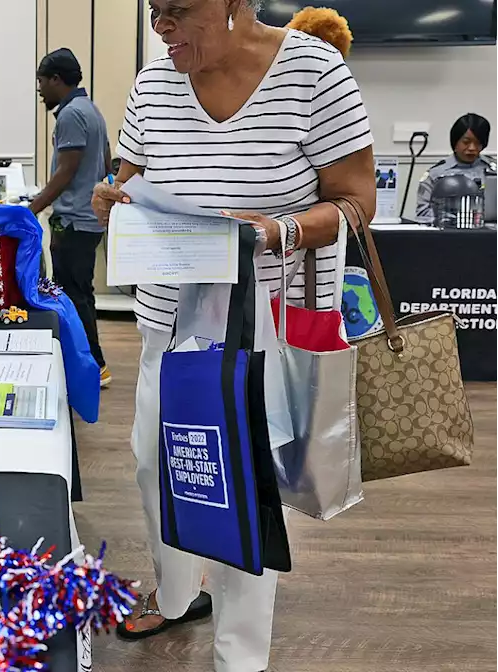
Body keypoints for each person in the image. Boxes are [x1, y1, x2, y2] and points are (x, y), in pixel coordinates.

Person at [93, 1, 374, 670]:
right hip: (171, 314)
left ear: (236, 5)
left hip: (267, 325)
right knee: (153, 462)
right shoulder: (152, 82)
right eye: (155, 10)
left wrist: (279, 231)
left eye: (180, 11)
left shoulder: (314, 72)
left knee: (243, 487)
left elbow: (357, 200)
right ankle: (181, 593)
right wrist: (113, 197)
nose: (162, 27)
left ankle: (239, 658)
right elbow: (128, 178)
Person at [29, 47, 112, 388]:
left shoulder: (70, 115)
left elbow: (65, 173)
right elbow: (106, 164)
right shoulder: (90, 110)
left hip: (74, 222)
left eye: (41, 81)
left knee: (74, 297)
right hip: (87, 220)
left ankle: (95, 366)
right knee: (80, 293)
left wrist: (28, 210)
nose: (39, 89)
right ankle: (89, 362)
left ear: (56, 80)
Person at [417, 113, 497, 225]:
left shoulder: (493, 171)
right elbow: (422, 214)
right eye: (466, 142)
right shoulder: (436, 173)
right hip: (448, 236)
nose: (472, 148)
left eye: (478, 143)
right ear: (455, 142)